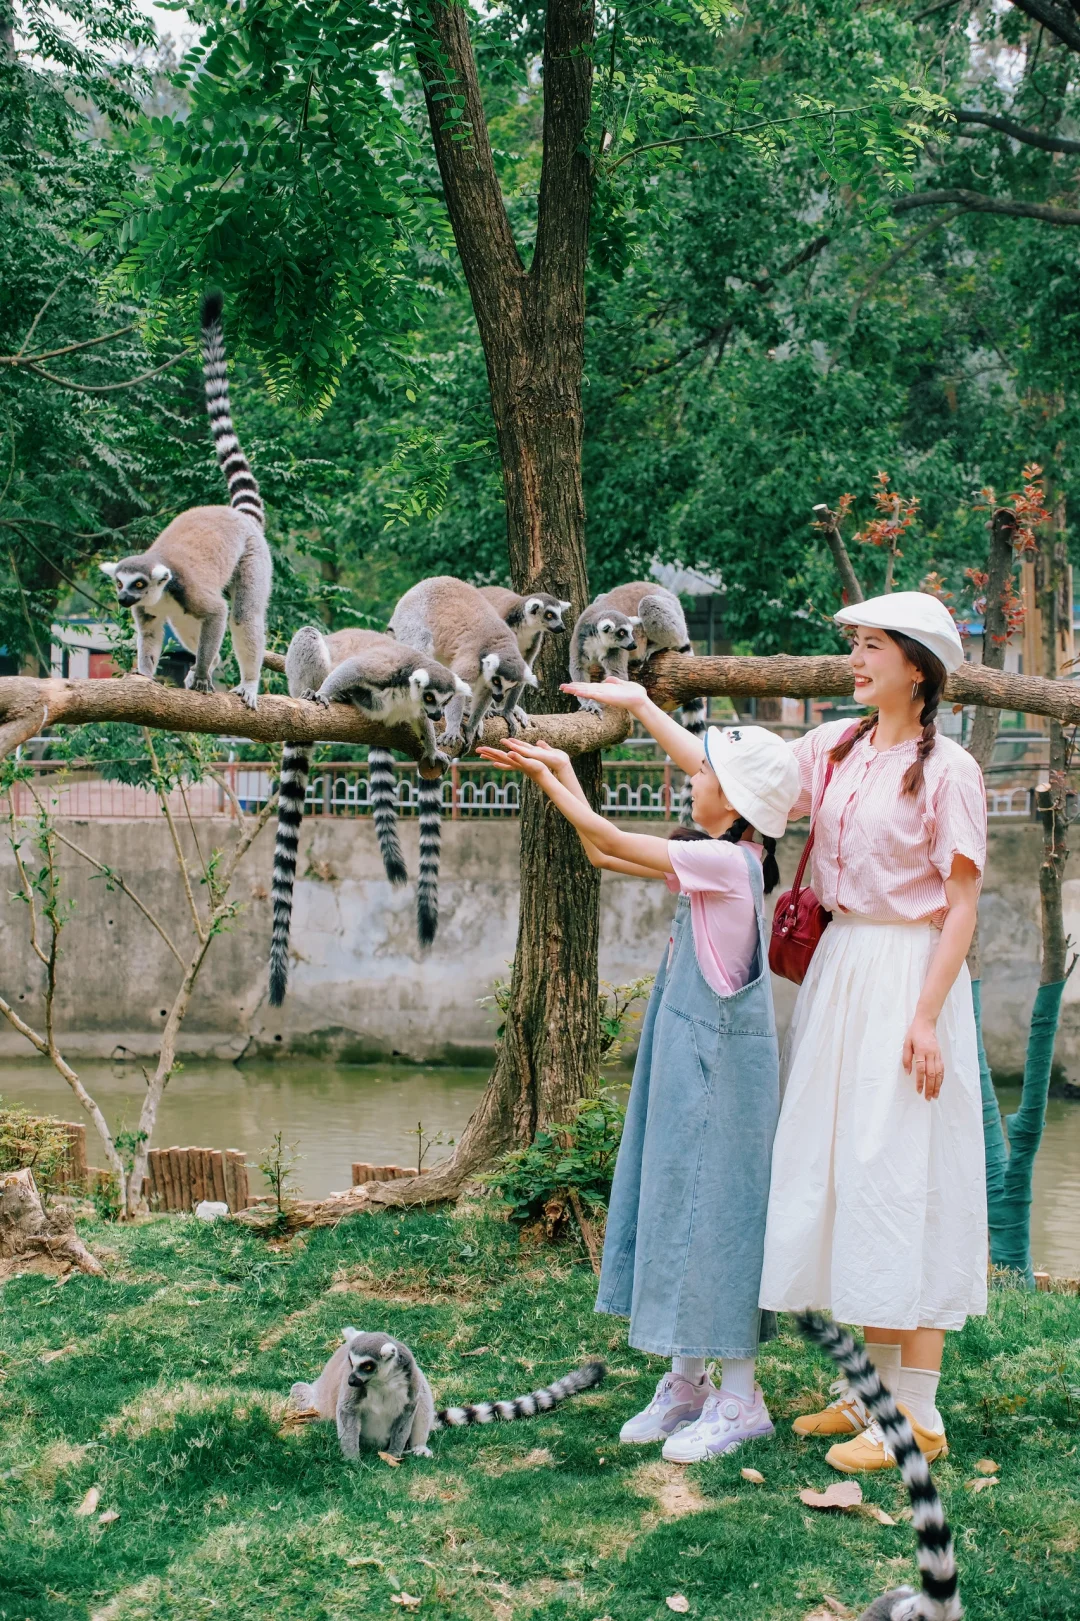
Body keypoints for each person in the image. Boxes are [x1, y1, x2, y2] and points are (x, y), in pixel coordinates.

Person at [478, 680, 801, 1463]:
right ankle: (687, 1381)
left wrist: (558, 771)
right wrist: (568, 763)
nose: (692, 774)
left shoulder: (724, 861)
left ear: (736, 802)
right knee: (676, 1210)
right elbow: (599, 847)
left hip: (722, 1082)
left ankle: (742, 1396)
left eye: (706, 773)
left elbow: (602, 832)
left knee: (720, 1224)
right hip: (692, 1070)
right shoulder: (726, 852)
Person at [758, 590, 987, 1474]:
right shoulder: (841, 745)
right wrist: (643, 710)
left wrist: (925, 1018)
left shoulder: (950, 769)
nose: (853, 661)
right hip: (843, 968)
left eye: (870, 647)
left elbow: (962, 904)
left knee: (901, 1172)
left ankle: (917, 1413)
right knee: (848, 1168)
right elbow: (747, 776)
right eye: (853, 644)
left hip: (906, 971)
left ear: (916, 667)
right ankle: (871, 1392)